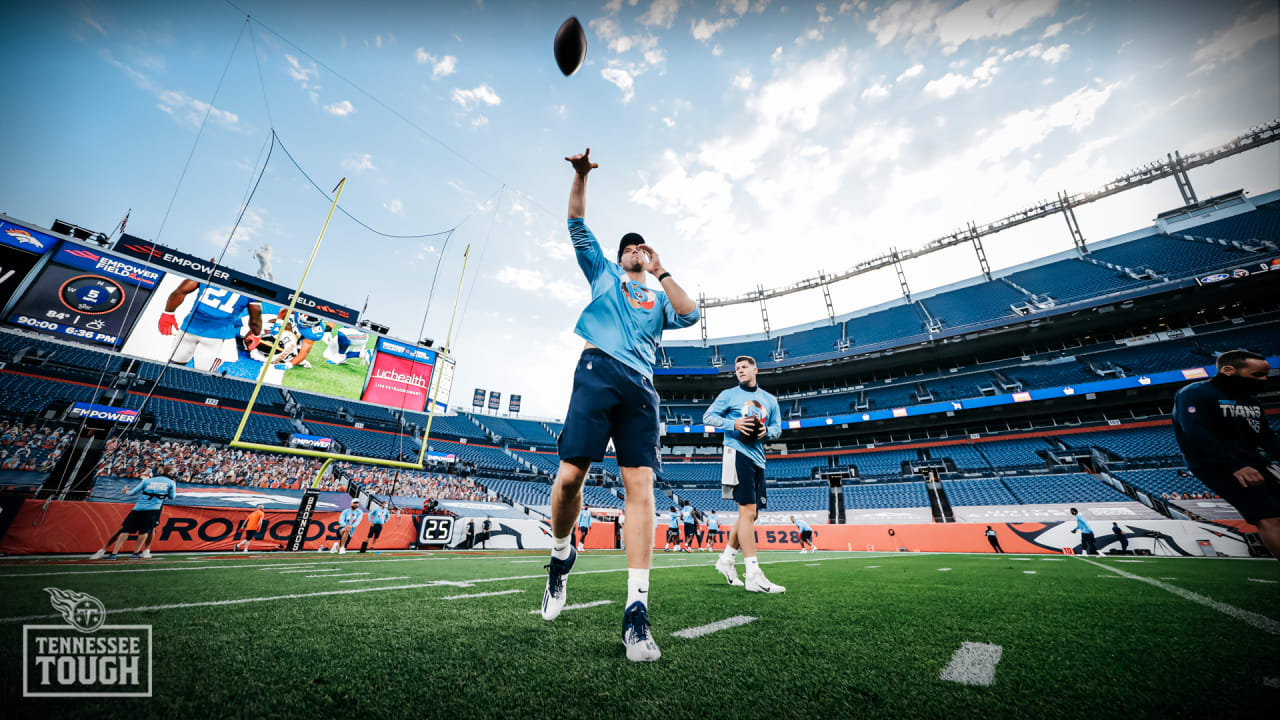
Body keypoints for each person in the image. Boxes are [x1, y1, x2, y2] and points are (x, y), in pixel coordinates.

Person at [540, 148, 700, 663]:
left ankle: (637, 612)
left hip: (641, 386)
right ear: (618, 255)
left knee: (641, 488)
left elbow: (691, 313)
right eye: (628, 246)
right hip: (596, 371)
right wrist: (581, 176)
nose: (634, 249)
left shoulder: (657, 298)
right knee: (569, 478)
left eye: (641, 247)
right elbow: (575, 221)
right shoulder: (603, 272)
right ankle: (562, 557)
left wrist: (662, 268)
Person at [1172, 349, 1280, 559]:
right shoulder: (1195, 392)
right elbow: (1196, 431)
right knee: (1269, 517)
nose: (1264, 380)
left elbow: (1267, 437)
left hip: (1252, 462)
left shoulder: (1251, 401)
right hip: (1217, 464)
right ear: (1229, 370)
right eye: (1256, 375)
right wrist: (1235, 465)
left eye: (1266, 375)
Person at [705, 355, 785, 593]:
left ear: (755, 369)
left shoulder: (769, 400)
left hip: (759, 458)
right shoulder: (728, 395)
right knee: (747, 511)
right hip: (736, 452)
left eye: (744, 367)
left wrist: (765, 433)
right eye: (737, 368)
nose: (739, 370)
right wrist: (735, 424)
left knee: (752, 514)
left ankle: (727, 560)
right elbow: (708, 417)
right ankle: (753, 574)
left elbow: (777, 429)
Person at [158, 280, 262, 373]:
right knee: (202, 374)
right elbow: (255, 322)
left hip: (189, 329)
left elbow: (180, 291)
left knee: (173, 367)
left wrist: (168, 313)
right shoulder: (253, 286)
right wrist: (256, 335)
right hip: (215, 337)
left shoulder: (213, 271)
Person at [89, 465, 177, 560]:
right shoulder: (171, 482)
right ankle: (135, 553)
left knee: (125, 530)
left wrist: (126, 492)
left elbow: (132, 492)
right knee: (145, 531)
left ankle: (114, 553)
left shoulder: (147, 480)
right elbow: (172, 497)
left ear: (161, 471)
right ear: (170, 473)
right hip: (154, 509)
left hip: (138, 507)